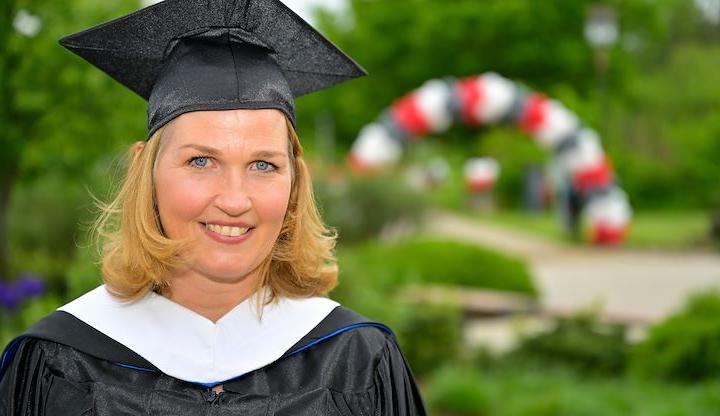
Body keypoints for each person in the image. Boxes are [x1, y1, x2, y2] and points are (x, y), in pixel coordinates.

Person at [0, 0, 427, 414]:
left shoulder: (359, 363)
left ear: (296, 182)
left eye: (263, 164)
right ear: (145, 172)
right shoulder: (58, 362)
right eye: (200, 161)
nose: (234, 200)